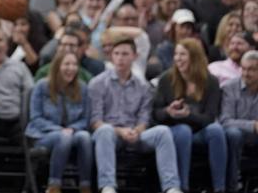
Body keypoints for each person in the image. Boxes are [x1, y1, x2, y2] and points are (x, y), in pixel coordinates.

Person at [88, 39, 182, 193]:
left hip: (135, 134)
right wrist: (120, 131)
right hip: (110, 134)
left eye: (125, 54)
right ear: (111, 57)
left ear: (135, 56)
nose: (120, 58)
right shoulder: (97, 83)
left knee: (163, 132)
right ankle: (108, 186)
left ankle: (171, 187)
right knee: (104, 130)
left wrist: (136, 131)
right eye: (116, 54)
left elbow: (144, 118)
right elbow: (95, 121)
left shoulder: (143, 86)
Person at [152, 38, 226, 193]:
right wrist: (168, 111)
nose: (178, 58)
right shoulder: (166, 79)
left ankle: (220, 187)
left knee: (216, 130)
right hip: (174, 130)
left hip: (199, 130)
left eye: (183, 54)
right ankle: (182, 187)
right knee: (183, 130)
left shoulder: (210, 81)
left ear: (194, 57)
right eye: (176, 54)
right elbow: (156, 114)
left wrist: (188, 115)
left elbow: (209, 118)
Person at [26, 52, 92, 193]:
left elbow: (85, 120)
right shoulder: (41, 86)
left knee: (85, 137)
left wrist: (72, 128)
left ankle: (85, 185)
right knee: (64, 137)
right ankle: (54, 186)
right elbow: (35, 118)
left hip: (72, 133)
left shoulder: (83, 88)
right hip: (43, 135)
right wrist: (58, 129)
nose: (71, 68)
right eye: (67, 64)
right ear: (57, 67)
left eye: (74, 64)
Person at [220, 50, 258, 193]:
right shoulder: (229, 87)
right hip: (236, 135)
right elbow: (225, 121)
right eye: (244, 69)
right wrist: (253, 125)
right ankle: (233, 185)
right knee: (234, 134)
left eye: (252, 70)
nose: (246, 73)